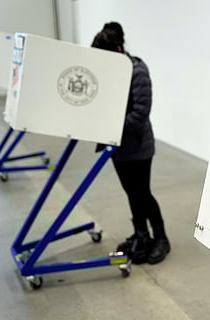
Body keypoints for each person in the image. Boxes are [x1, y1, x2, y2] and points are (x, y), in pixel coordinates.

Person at [91, 22, 170, 264]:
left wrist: (109, 127)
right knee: (131, 193)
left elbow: (140, 113)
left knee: (142, 193)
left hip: (138, 147)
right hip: (117, 146)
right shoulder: (109, 72)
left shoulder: (137, 71)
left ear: (117, 50)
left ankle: (161, 239)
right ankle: (141, 235)